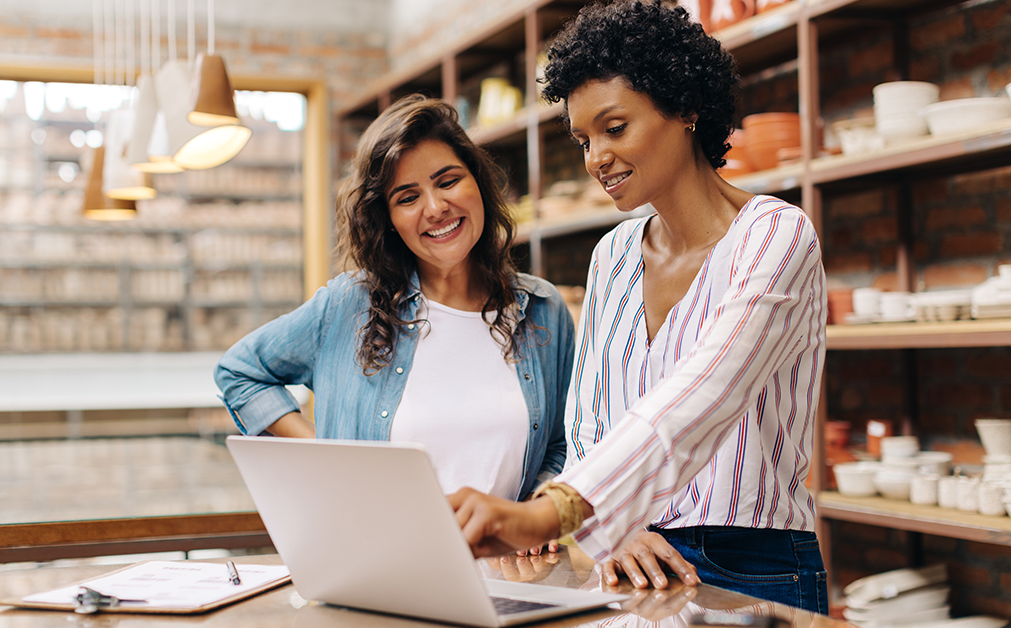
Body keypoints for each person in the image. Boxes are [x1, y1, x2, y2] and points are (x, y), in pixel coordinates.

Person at [449, 0, 828, 613]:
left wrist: (555, 512)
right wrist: (613, 530)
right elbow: (589, 423)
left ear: (684, 109)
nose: (595, 156)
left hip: (753, 569)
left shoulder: (775, 237)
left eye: (614, 128)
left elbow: (703, 399)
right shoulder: (614, 254)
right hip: (628, 559)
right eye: (582, 139)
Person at [215, 95, 575, 532]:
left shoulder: (543, 310)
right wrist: (327, 452)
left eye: (448, 181)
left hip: (509, 580)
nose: (435, 207)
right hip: (379, 560)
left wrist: (533, 514)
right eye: (407, 198)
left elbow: (561, 443)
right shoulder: (350, 306)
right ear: (387, 219)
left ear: (478, 183)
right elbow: (239, 372)